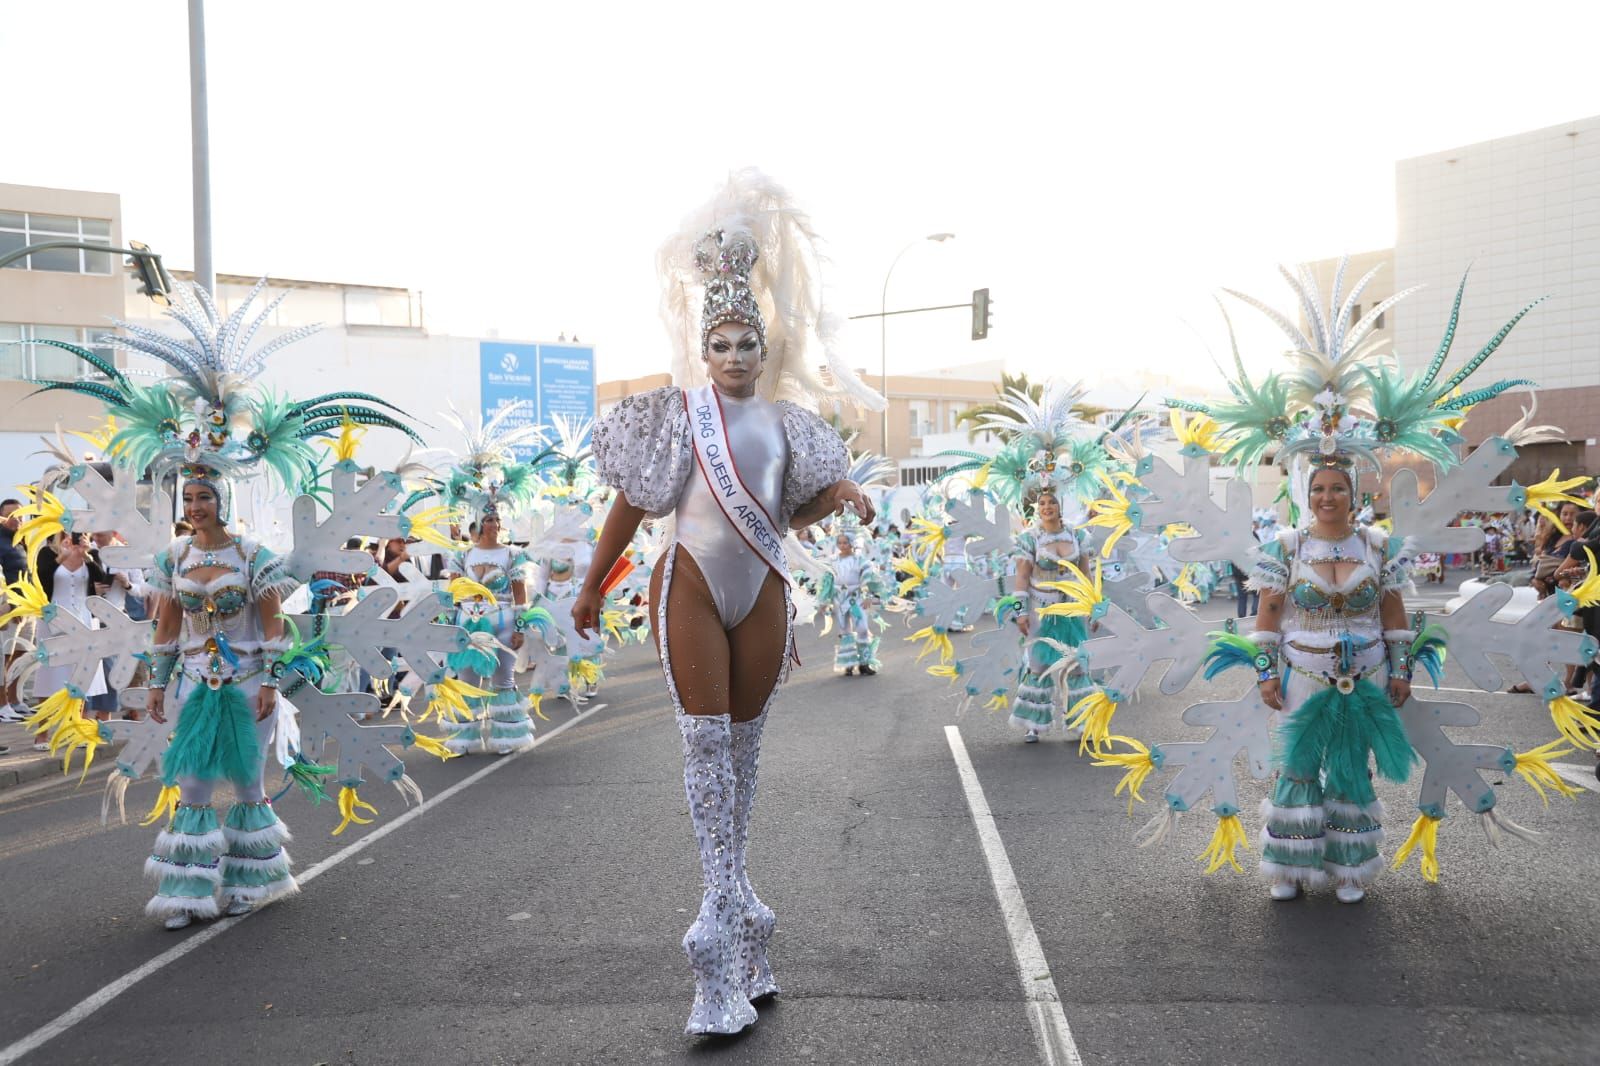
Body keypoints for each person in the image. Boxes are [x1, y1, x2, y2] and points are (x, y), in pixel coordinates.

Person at [574, 171, 879, 1036]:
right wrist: (593, 585)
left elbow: (793, 509)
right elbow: (633, 504)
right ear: (702, 351)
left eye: (749, 342)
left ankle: (745, 933)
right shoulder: (677, 418)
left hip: (764, 591)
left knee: (742, 767)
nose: (738, 356)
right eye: (723, 344)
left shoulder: (790, 425)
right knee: (705, 756)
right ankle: (716, 958)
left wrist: (842, 495)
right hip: (695, 587)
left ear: (765, 349)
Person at [1251, 461, 1417, 903]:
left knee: (1349, 765)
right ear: (1307, 496)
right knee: (1297, 764)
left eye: (1339, 489)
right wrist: (1266, 674)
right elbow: (1267, 616)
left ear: (1355, 495)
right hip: (1302, 672)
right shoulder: (1286, 548)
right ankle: (1289, 866)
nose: (1328, 497)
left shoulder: (1380, 547)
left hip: (1364, 673)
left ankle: (1349, 870)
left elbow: (1394, 614)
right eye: (1319, 489)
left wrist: (1402, 671)